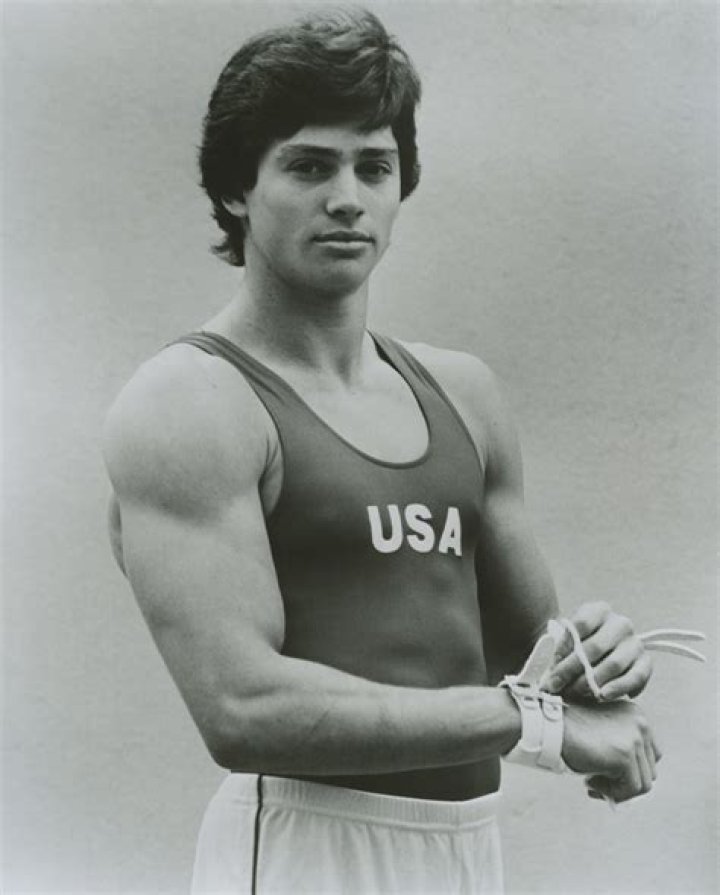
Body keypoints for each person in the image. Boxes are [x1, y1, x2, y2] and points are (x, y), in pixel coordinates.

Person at [102, 9, 659, 893]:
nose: (347, 198)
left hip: (467, 849)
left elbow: (531, 677)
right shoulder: (191, 402)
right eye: (309, 166)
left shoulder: (465, 394)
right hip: (304, 847)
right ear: (238, 189)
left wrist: (600, 663)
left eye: (374, 167)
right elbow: (244, 708)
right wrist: (539, 721)